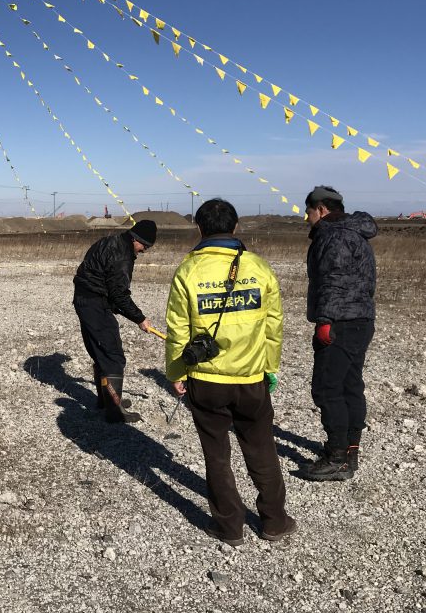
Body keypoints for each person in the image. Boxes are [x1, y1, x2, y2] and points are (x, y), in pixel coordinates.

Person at [165, 198, 295, 545]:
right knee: (262, 449)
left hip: (206, 380)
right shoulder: (258, 267)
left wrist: (176, 372)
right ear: (235, 228)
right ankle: (274, 521)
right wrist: (271, 368)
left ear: (200, 228)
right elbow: (273, 325)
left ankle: (229, 526)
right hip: (251, 378)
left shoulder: (188, 271)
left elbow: (178, 328)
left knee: (216, 454)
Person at [303, 185, 377, 482]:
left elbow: (333, 279)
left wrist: (324, 321)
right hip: (360, 319)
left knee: (327, 388)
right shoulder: (356, 232)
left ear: (320, 209)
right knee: (349, 385)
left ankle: (337, 457)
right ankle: (350, 451)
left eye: (308, 211)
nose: (306, 218)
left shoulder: (334, 235)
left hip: (339, 322)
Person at [72, 219, 156, 424]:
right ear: (136, 239)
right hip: (94, 303)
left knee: (101, 353)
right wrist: (140, 318)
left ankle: (108, 402)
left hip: (84, 299)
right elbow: (119, 295)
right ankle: (114, 411)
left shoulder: (109, 241)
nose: (144, 250)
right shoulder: (122, 256)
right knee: (113, 356)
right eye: (145, 245)